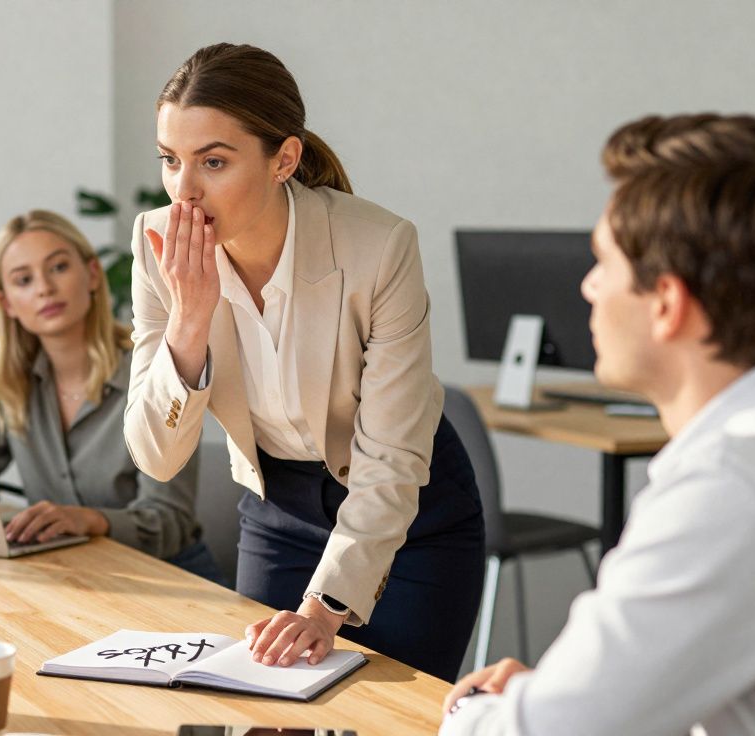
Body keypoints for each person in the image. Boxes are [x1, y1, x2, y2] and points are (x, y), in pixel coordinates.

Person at [123, 43, 485, 681]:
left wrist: (323, 608)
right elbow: (156, 455)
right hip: (278, 509)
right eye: (170, 161)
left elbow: (392, 460)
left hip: (408, 511)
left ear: (283, 159)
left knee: (391, 721)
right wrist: (189, 319)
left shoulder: (379, 247)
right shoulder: (159, 245)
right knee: (261, 712)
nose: (185, 189)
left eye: (213, 161)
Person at [441, 114, 755, 735]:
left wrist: (476, 712)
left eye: (602, 264)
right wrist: (565, 691)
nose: (587, 288)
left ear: (666, 304)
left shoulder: (722, 492)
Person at [0, 210, 223, 583]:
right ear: (7, 304)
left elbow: (171, 521)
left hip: (171, 580)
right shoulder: (11, 387)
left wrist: (91, 520)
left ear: (91, 274)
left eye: (58, 268)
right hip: (76, 582)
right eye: (24, 280)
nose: (44, 288)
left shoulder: (152, 370)